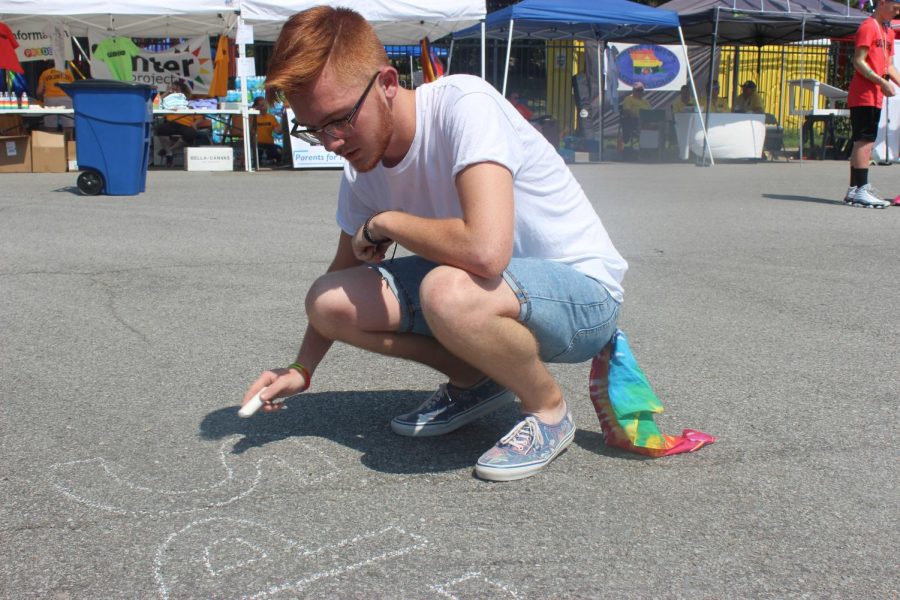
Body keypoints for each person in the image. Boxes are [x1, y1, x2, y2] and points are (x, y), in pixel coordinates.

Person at [242, 7, 627, 482]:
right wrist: (303, 367)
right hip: (489, 293)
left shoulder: (464, 105)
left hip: (583, 297)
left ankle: (548, 410)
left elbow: (487, 252)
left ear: (386, 83)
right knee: (328, 301)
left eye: (339, 120)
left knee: (447, 291)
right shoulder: (361, 165)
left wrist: (387, 222)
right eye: (313, 128)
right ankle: (476, 380)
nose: (330, 142)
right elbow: (340, 276)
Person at [844, 0, 900, 208]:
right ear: (882, 3)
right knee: (864, 141)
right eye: (894, 9)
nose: (896, 13)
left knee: (864, 140)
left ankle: (853, 189)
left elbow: (889, 65)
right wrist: (881, 81)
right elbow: (858, 61)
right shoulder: (868, 26)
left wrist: (893, 81)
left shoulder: (889, 31)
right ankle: (861, 189)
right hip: (863, 93)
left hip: (875, 94)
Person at [154, 81, 211, 167]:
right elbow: (155, 104)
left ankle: (169, 150)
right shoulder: (168, 101)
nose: (173, 90)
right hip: (171, 122)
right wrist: (166, 93)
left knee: (191, 133)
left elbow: (201, 116)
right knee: (160, 129)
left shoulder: (188, 103)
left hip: (185, 124)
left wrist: (195, 123)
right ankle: (169, 153)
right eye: (172, 89)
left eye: (176, 88)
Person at [231, 97, 283, 165]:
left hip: (269, 144)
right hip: (256, 144)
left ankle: (272, 160)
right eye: (261, 105)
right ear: (256, 107)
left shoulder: (271, 117)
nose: (264, 107)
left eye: (265, 105)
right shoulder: (252, 118)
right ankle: (264, 161)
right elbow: (248, 133)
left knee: (279, 151)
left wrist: (282, 124)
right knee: (257, 154)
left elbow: (278, 131)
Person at [36, 65, 74, 132]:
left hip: (50, 99)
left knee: (50, 126)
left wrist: (41, 100)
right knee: (68, 126)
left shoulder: (45, 73)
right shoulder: (67, 72)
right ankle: (68, 141)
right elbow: (73, 87)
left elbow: (39, 91)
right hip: (66, 98)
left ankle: (53, 141)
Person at [620, 82, 650, 154]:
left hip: (647, 120)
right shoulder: (629, 99)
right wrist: (637, 116)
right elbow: (627, 111)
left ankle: (655, 148)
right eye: (637, 90)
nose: (639, 92)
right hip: (635, 121)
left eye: (641, 90)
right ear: (633, 91)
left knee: (660, 124)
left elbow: (650, 112)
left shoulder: (645, 101)